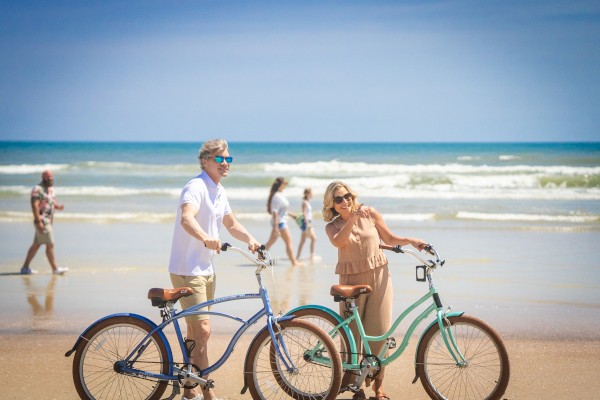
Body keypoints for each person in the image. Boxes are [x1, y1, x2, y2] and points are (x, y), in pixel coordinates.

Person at [168, 139, 261, 400]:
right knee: (204, 330)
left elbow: (231, 224)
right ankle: (207, 393)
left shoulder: (218, 191)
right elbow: (187, 218)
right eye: (220, 158)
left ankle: (189, 391)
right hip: (187, 269)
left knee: (195, 332)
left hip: (206, 269)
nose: (225, 164)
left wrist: (251, 239)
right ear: (205, 160)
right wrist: (205, 237)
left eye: (228, 159)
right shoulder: (196, 187)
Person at [322, 181, 428, 400]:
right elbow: (339, 242)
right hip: (351, 282)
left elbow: (388, 238)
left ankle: (378, 387)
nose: (345, 201)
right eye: (339, 199)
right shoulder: (332, 226)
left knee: (380, 333)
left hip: (380, 276)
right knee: (351, 336)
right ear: (331, 204)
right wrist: (352, 217)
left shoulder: (370, 213)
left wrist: (411, 241)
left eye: (348, 196)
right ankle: (356, 387)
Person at [21, 170, 68, 275]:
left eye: (52, 179)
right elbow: (35, 205)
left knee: (36, 245)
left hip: (48, 221)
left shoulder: (50, 189)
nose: (52, 181)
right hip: (42, 220)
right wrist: (38, 221)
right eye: (50, 179)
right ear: (44, 178)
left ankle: (25, 268)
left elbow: (51, 202)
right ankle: (55, 269)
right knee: (50, 244)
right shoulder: (37, 189)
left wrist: (58, 207)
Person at [264, 177, 301, 266]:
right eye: (284, 183)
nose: (285, 185)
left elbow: (283, 210)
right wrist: (276, 227)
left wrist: (292, 215)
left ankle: (259, 258)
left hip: (280, 222)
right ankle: (294, 262)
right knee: (289, 242)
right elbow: (275, 212)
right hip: (280, 223)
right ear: (280, 184)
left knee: (270, 243)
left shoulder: (281, 194)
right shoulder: (276, 196)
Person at [296, 187, 317, 260]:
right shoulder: (304, 202)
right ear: (308, 193)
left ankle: (298, 256)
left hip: (307, 222)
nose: (312, 194)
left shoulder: (307, 202)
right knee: (313, 239)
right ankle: (311, 255)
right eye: (311, 193)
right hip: (306, 223)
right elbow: (304, 213)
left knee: (304, 240)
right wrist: (308, 223)